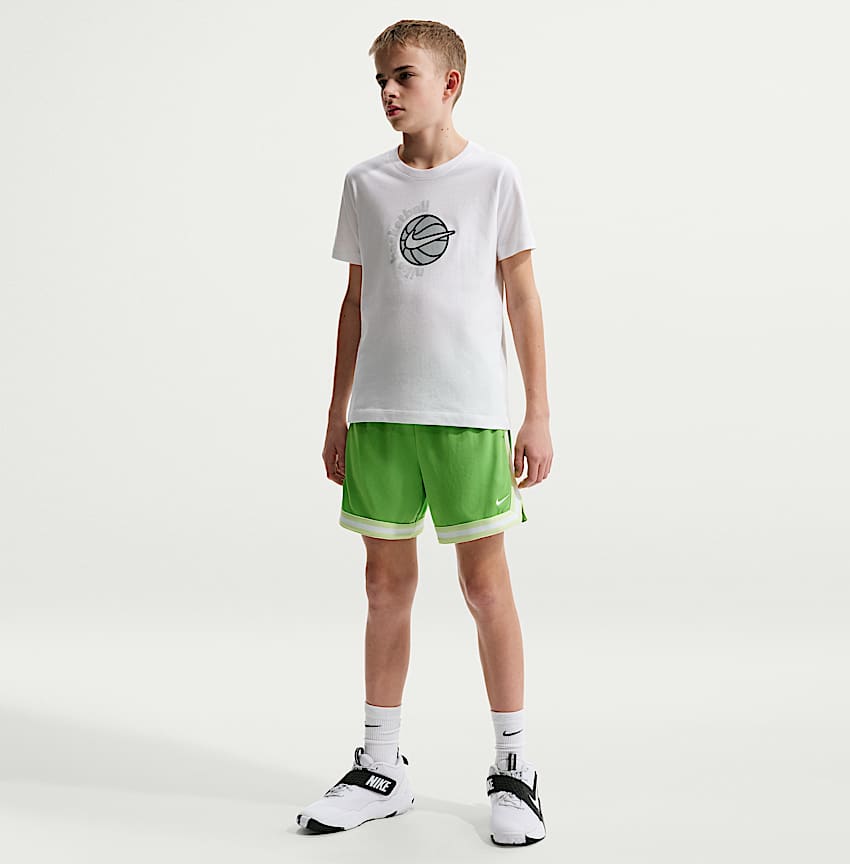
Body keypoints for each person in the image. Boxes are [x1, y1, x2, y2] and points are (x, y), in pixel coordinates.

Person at [297, 19, 552, 847]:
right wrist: (337, 411)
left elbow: (522, 297)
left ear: (450, 83)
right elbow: (354, 303)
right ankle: (382, 767)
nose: (387, 92)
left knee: (486, 590)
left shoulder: (495, 178)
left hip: (468, 416)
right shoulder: (365, 183)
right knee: (384, 587)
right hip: (381, 414)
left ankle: (514, 767)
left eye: (402, 75)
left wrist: (538, 411)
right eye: (380, 79)